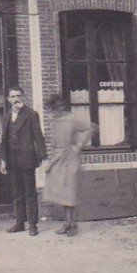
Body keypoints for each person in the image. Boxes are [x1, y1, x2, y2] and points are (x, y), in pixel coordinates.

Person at [42, 93, 95, 236]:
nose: (55, 112)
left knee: (71, 193)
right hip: (58, 159)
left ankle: (73, 226)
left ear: (62, 107)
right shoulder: (54, 121)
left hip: (70, 160)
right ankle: (67, 223)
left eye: (57, 108)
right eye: (53, 109)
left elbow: (90, 128)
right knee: (63, 193)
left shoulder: (72, 119)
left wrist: (78, 146)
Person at [0, 85, 47, 236]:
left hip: (27, 158)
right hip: (12, 159)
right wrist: (3, 159)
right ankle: (19, 223)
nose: (16, 99)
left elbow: (39, 137)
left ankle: (33, 225)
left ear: (23, 97)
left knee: (30, 192)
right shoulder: (7, 116)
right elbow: (4, 140)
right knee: (17, 193)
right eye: (12, 96)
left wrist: (42, 157)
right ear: (8, 99)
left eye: (18, 96)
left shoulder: (31, 114)